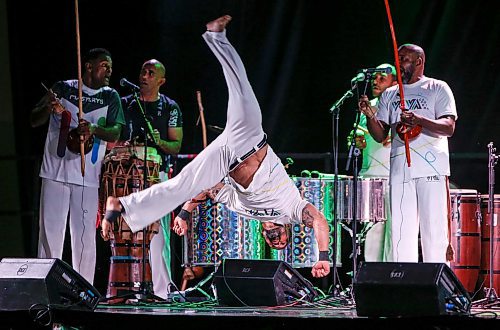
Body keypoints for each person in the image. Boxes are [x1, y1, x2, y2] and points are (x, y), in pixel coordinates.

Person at [102, 15, 330, 278]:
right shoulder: (292, 208)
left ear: (265, 237)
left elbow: (206, 191)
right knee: (242, 90)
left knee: (183, 182)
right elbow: (320, 222)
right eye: (281, 239)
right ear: (288, 229)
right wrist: (322, 256)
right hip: (250, 138)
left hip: (224, 157)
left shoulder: (242, 207)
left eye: (273, 242)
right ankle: (217, 37)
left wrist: (185, 214)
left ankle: (122, 205)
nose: (276, 239)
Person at [30, 48, 125, 284]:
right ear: (89, 66)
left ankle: (83, 291)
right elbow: (34, 119)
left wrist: (93, 129)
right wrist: (48, 107)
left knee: (84, 239)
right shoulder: (64, 88)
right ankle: (47, 288)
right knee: (50, 236)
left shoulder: (109, 96)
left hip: (87, 176)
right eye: (104, 65)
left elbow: (115, 131)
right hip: (55, 172)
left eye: (111, 66)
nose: (109, 70)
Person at [359, 44, 457, 263]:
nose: (399, 64)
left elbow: (449, 126)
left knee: (434, 230)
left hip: (431, 168)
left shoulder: (437, 87)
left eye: (404, 59)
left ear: (419, 61)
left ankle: (438, 287)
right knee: (401, 233)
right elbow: (380, 134)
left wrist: (419, 120)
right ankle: (404, 285)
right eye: (398, 59)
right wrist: (369, 115)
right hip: (400, 169)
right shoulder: (390, 94)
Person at [118, 59, 183, 299]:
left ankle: (161, 292)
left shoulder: (170, 107)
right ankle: (126, 288)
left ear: (161, 81)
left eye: (150, 73)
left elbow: (175, 145)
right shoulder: (125, 104)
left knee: (157, 236)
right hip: (128, 175)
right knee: (126, 234)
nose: (144, 76)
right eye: (142, 71)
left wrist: (160, 141)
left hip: (158, 175)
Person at [349, 63, 396, 262]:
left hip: (392, 175)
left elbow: (386, 138)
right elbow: (359, 135)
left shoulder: (396, 105)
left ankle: (394, 275)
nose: (375, 81)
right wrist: (355, 138)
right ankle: (373, 277)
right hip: (370, 176)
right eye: (374, 78)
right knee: (372, 233)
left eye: (381, 78)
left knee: (394, 233)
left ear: (394, 82)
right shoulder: (367, 107)